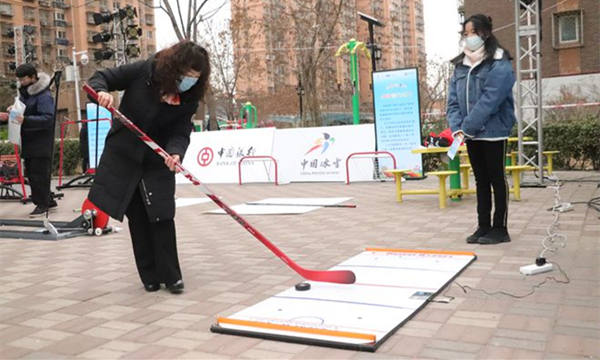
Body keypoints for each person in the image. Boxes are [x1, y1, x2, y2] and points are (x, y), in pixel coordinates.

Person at [87, 40, 210, 294]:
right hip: (125, 154)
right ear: (173, 67)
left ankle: (171, 276)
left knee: (162, 213)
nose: (189, 81)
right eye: (186, 75)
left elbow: (181, 129)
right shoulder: (144, 71)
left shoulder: (188, 97)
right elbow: (100, 77)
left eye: (195, 78)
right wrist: (102, 92)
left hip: (158, 157)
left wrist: (176, 152)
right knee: (138, 215)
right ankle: (149, 276)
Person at [447, 14, 516, 245]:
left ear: (485, 33)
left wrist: (467, 127)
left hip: (493, 131)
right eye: (465, 34)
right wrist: (457, 128)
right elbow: (453, 101)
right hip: (469, 133)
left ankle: (500, 228)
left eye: (473, 33)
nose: (469, 38)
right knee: (481, 180)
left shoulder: (499, 62)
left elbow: (490, 99)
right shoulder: (460, 65)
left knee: (497, 178)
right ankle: (483, 226)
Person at [0, 64, 56, 217]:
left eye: (23, 79)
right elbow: (22, 113)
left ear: (33, 77)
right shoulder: (25, 95)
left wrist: (25, 119)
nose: (21, 82)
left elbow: (48, 118)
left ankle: (42, 204)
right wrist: (9, 114)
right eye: (19, 79)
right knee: (32, 172)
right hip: (29, 140)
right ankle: (47, 199)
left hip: (41, 141)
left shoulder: (43, 95)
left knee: (39, 173)